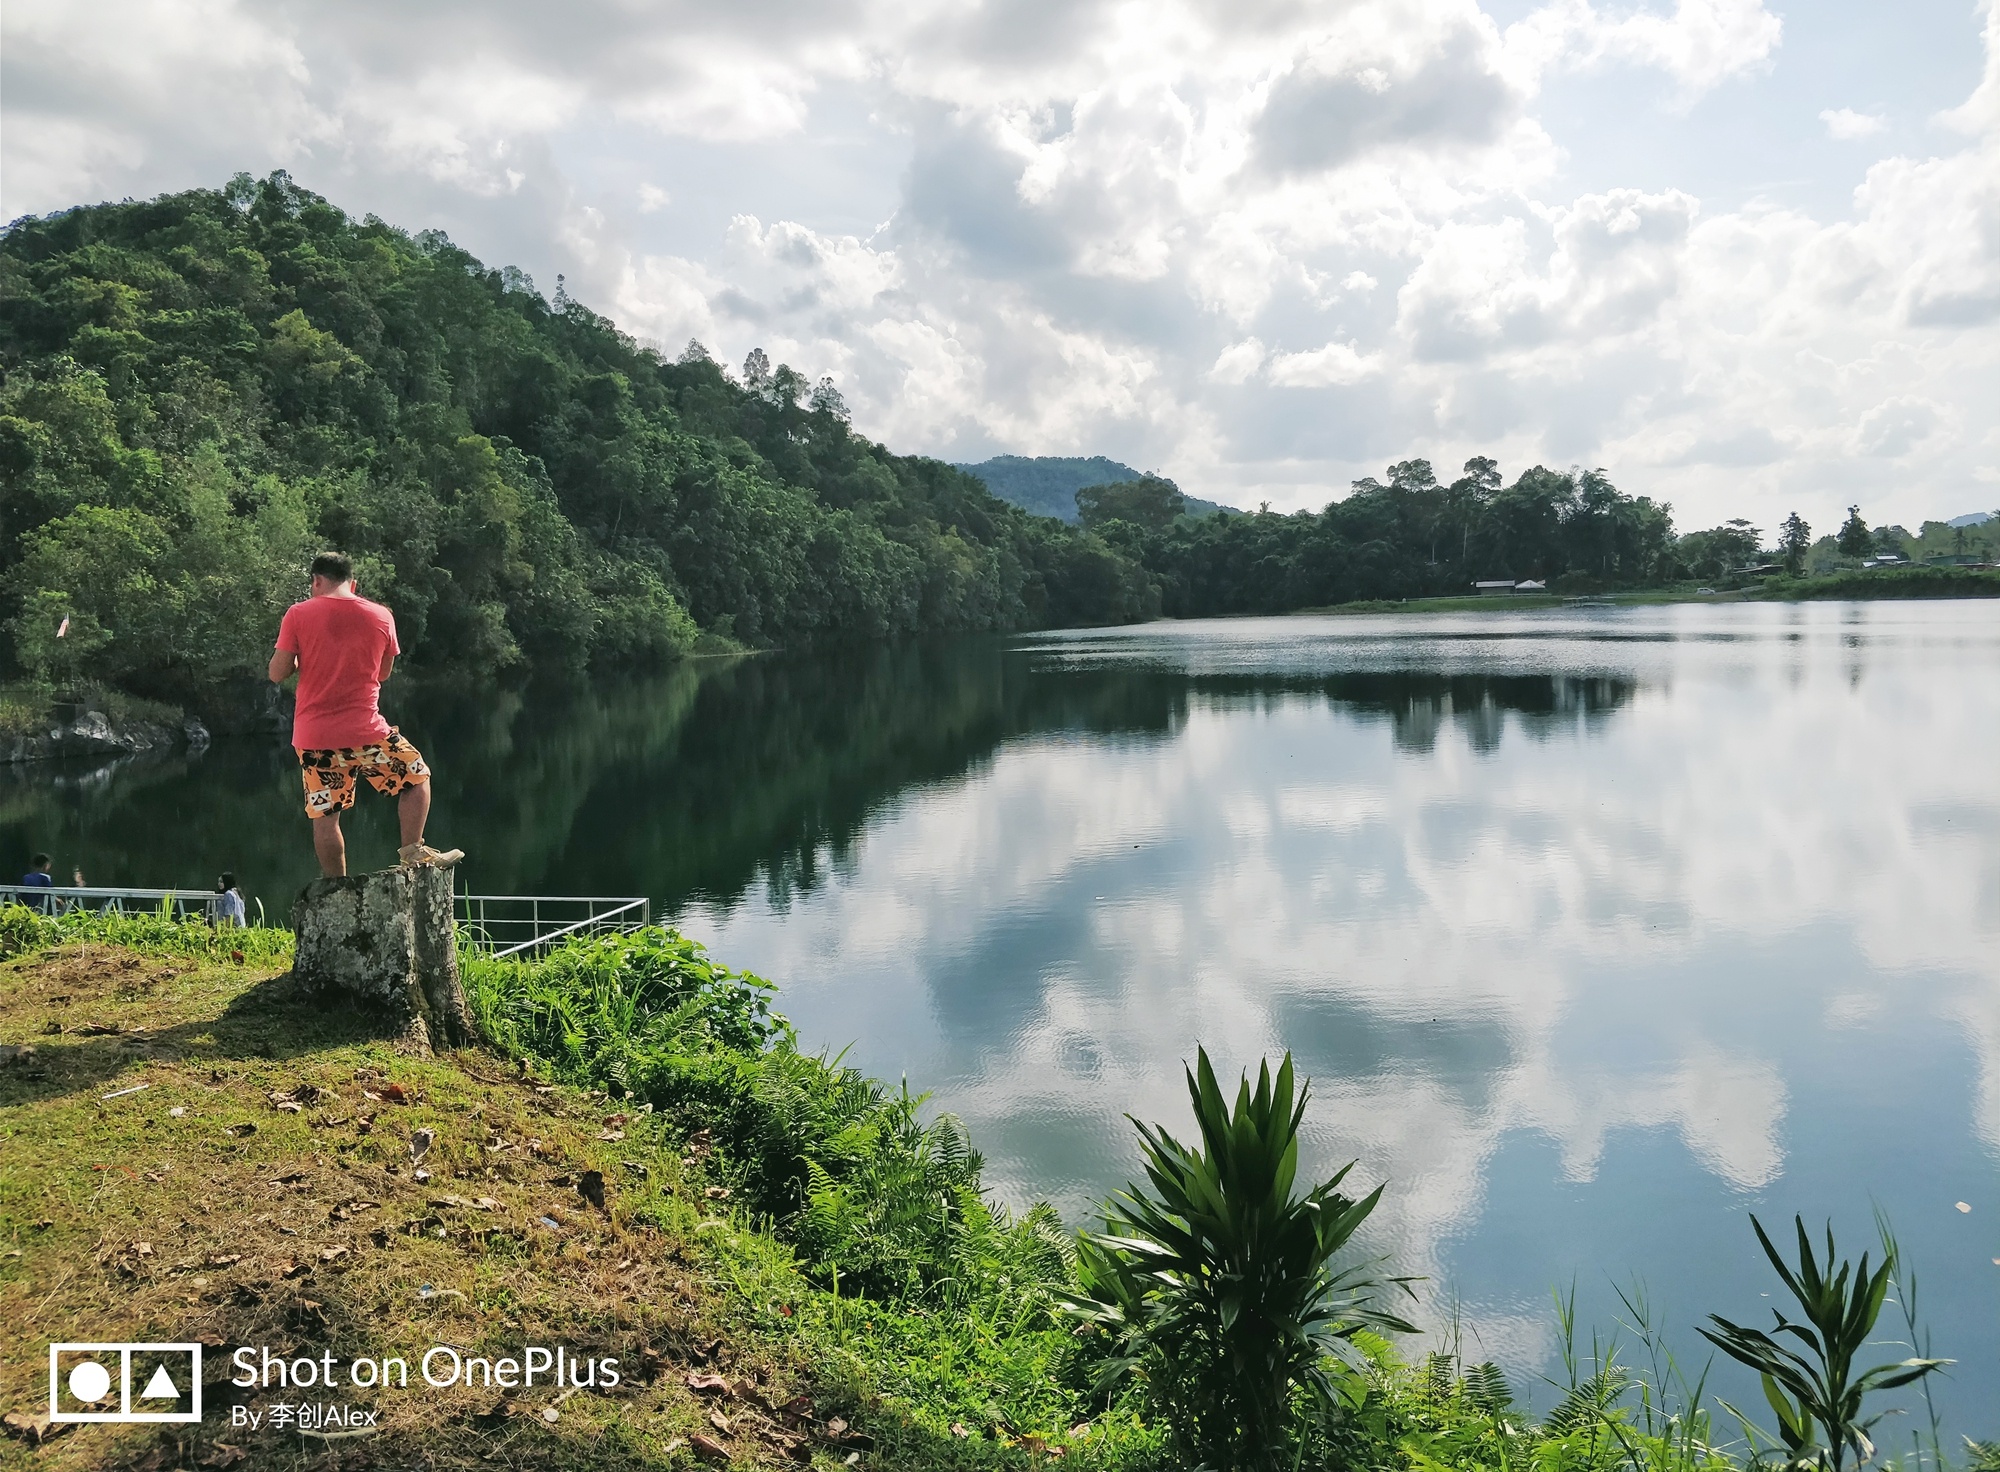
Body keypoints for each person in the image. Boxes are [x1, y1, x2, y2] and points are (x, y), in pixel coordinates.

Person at [269, 552, 462, 878]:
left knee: (326, 815)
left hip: (315, 739)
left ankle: (335, 886)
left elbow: (277, 673)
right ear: (353, 583)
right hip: (367, 732)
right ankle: (412, 853)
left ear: (316, 581)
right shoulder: (381, 615)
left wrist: (303, 661)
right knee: (416, 779)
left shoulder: (298, 614)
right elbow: (383, 672)